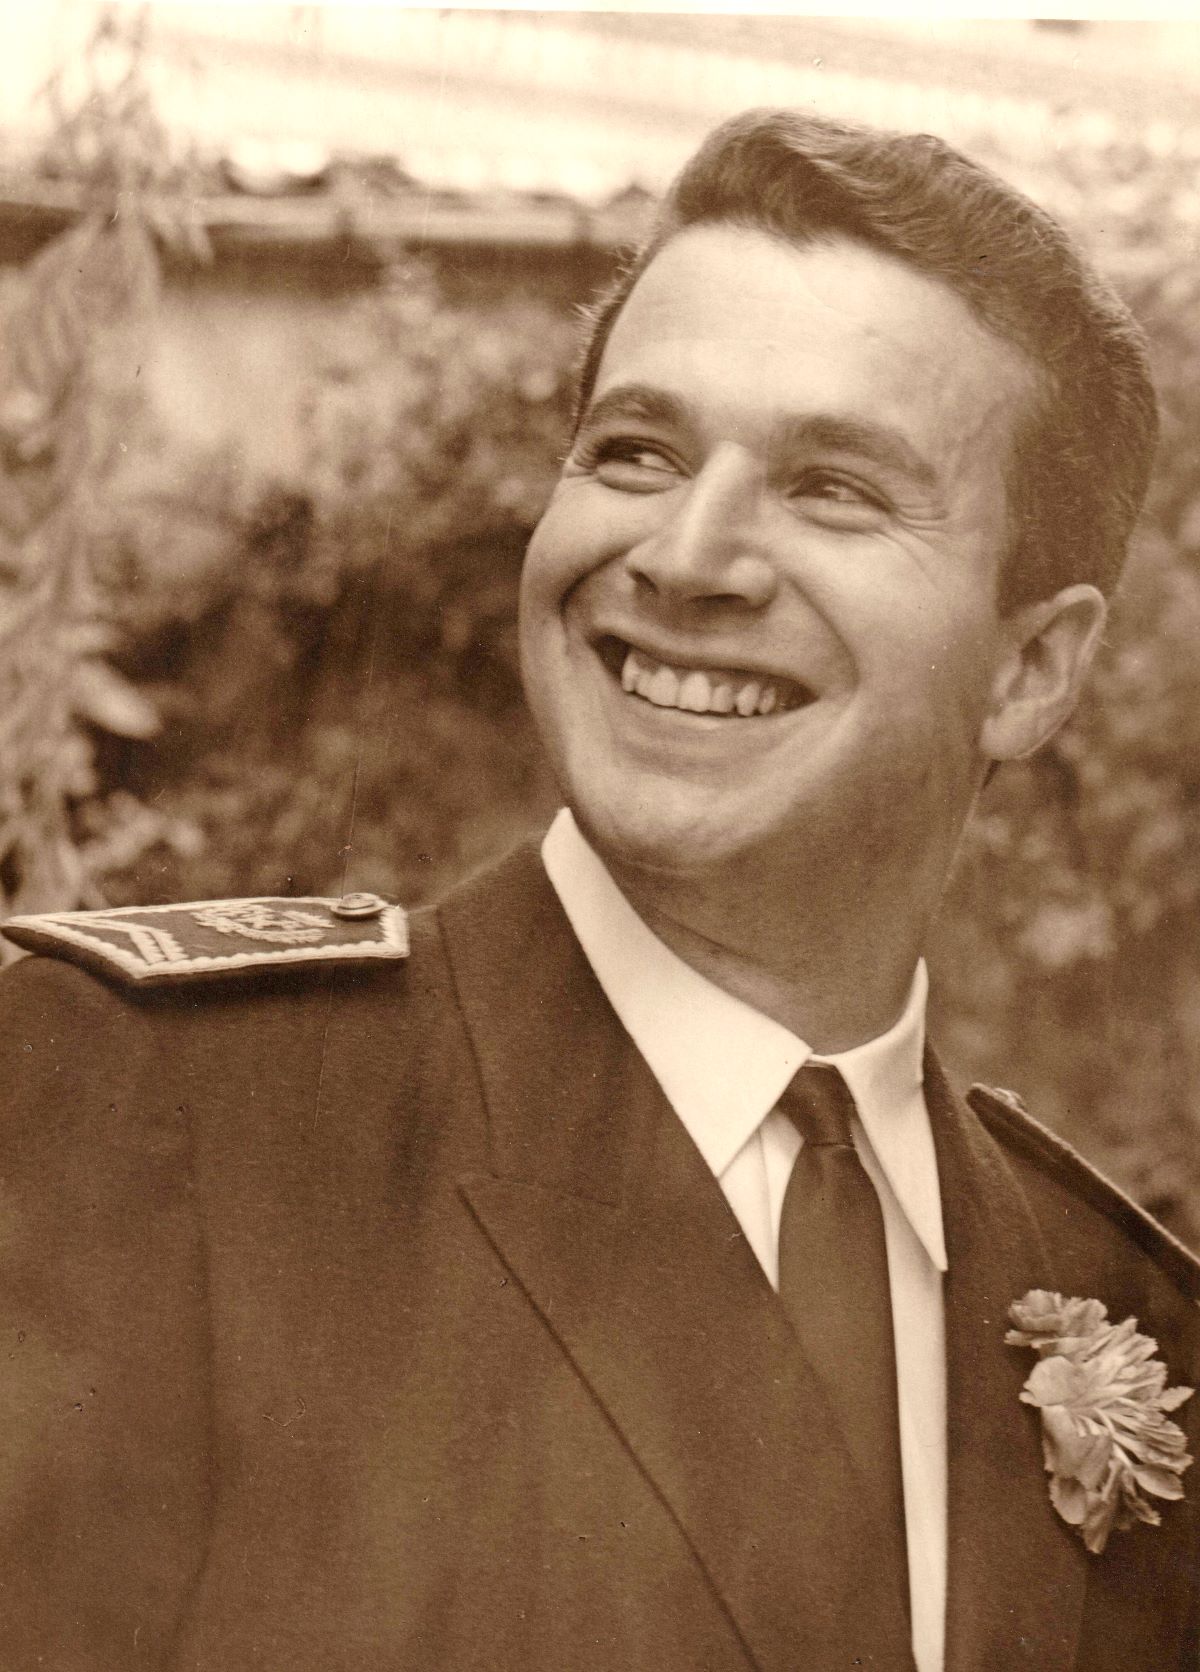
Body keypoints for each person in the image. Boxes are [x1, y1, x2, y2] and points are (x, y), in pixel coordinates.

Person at [2, 108, 1197, 1672]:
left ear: (1031, 670)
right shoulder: (153, 1105)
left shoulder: (1122, 1308)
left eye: (833, 488)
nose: (687, 556)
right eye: (637, 452)